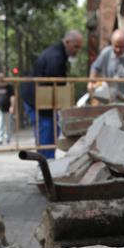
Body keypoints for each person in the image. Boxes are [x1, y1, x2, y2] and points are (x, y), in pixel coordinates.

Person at [21, 30, 83, 159]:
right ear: (67, 42)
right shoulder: (56, 56)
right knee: (47, 132)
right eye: (75, 46)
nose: (77, 50)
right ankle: (46, 165)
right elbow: (54, 82)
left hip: (43, 100)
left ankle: (47, 162)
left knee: (51, 131)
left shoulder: (59, 54)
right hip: (38, 100)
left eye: (79, 47)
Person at [0, 76, 15, 147]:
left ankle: (8, 137)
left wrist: (12, 106)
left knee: (7, 123)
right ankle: (0, 139)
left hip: (7, 108)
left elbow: (12, 97)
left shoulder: (9, 87)